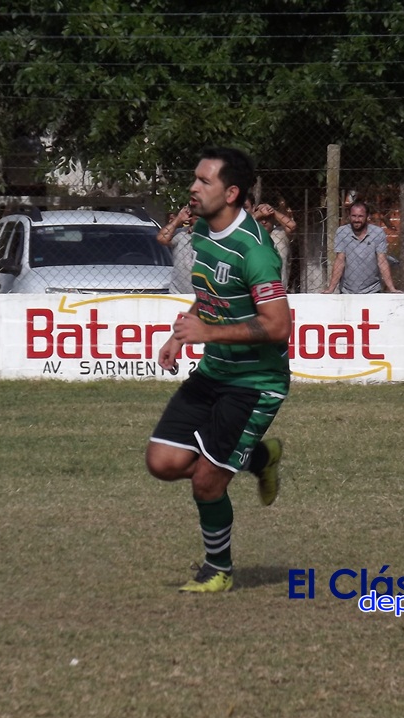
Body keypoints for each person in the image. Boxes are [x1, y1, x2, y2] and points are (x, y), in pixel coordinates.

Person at [146, 147, 290, 594]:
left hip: (254, 384)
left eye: (203, 181)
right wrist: (181, 333)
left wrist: (208, 332)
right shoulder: (204, 233)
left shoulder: (255, 250)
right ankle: (259, 457)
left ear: (231, 193)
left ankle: (218, 569)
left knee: (208, 481)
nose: (193, 187)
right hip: (213, 373)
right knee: (163, 462)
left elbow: (277, 325)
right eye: (195, 178)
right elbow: (210, 294)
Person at [322, 200, 401, 293]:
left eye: (360, 216)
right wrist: (331, 289)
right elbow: (340, 260)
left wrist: (392, 288)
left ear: (367, 217)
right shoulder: (342, 232)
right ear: (349, 216)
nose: (356, 220)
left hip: (372, 290)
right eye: (354, 216)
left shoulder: (378, 233)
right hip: (347, 291)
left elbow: (382, 261)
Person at [253, 202, 296, 288]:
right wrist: (258, 213)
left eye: (268, 218)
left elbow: (292, 225)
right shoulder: (251, 235)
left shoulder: (280, 234)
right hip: (256, 286)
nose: (264, 222)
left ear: (273, 220)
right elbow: (240, 225)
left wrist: (273, 211)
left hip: (278, 288)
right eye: (261, 219)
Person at [157, 206, 196, 295]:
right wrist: (178, 219)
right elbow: (161, 238)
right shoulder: (181, 234)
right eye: (195, 217)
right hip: (178, 294)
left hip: (202, 297)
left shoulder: (211, 237)